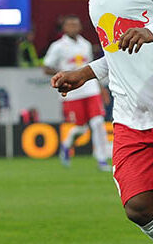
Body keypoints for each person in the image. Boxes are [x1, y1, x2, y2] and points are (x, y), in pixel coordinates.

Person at [50, 0, 153, 240]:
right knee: (138, 206)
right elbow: (118, 49)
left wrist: (152, 31)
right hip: (131, 116)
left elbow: (143, 36)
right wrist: (87, 72)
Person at [42, 14, 111, 171]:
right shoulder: (58, 46)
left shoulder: (85, 44)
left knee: (98, 123)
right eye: (70, 24)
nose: (73, 27)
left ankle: (101, 160)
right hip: (72, 92)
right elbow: (46, 67)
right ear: (64, 28)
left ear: (80, 27)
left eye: (76, 24)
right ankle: (67, 145)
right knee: (81, 128)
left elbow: (91, 68)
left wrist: (101, 88)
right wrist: (64, 74)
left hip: (90, 88)